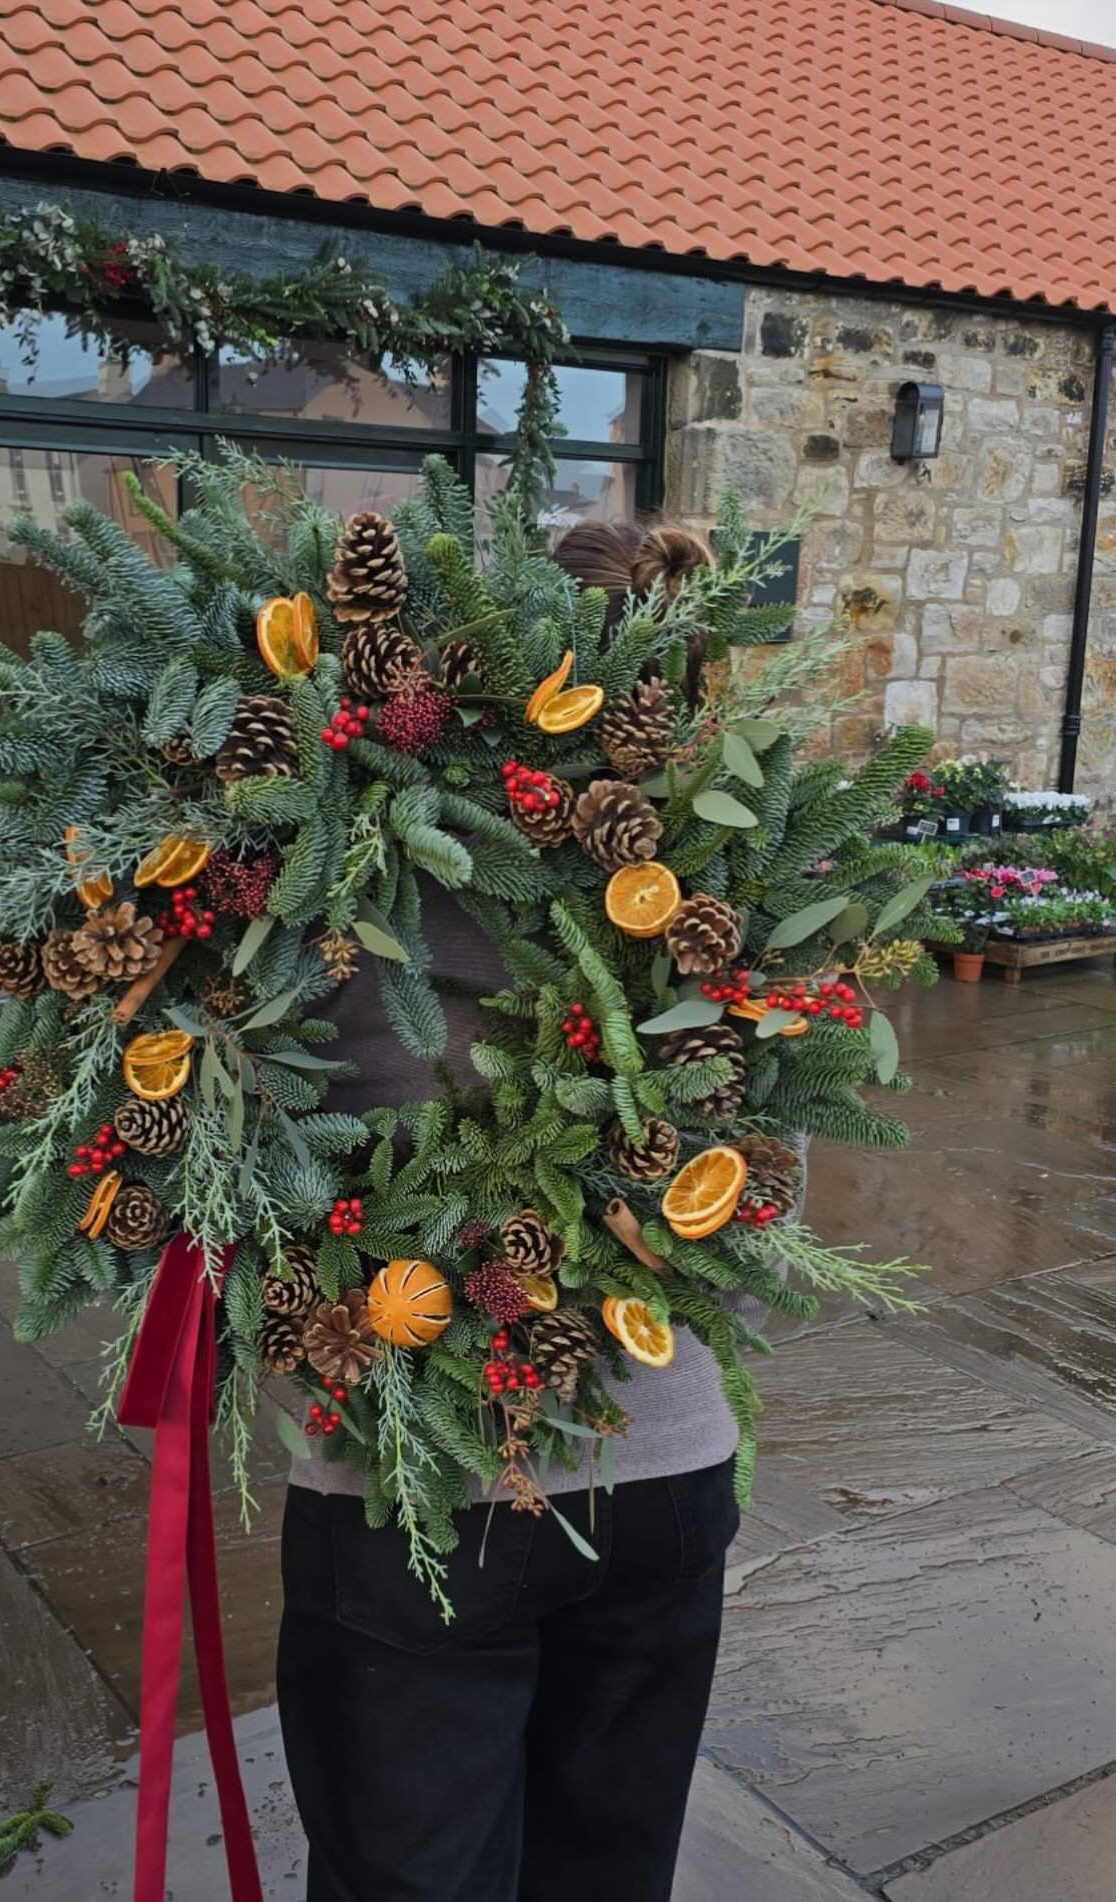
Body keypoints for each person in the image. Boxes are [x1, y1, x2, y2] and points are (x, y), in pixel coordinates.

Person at [275, 520, 758, 1902]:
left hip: (410, 1482)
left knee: (408, 1876)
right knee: (609, 1867)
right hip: (661, 1461)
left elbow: (250, 1148)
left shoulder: (346, 856)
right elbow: (766, 1194)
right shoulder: (718, 882)